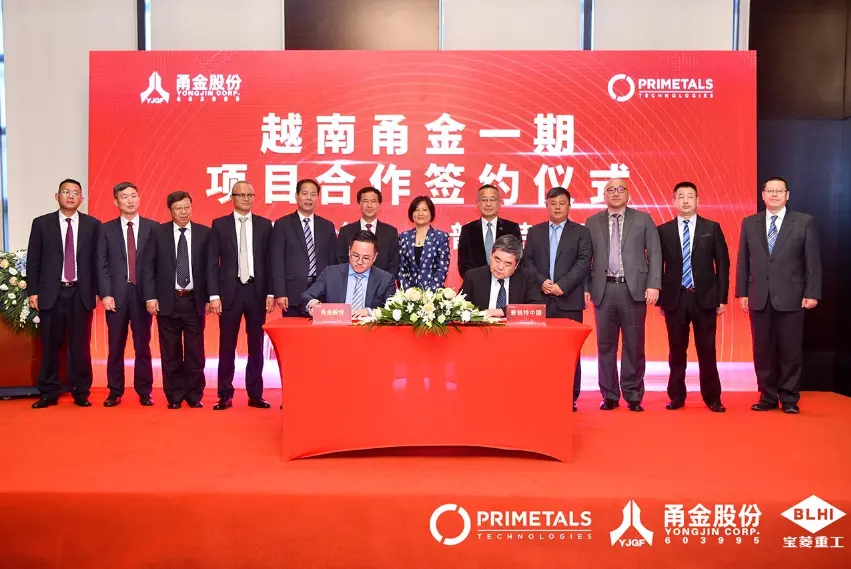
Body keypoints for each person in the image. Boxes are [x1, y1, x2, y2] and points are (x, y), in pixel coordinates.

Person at [736, 176, 822, 414]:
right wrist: (742, 292)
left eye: (779, 191)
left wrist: (812, 292)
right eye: (770, 191)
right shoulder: (750, 222)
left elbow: (813, 261)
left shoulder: (804, 222)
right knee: (762, 350)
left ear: (787, 195)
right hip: (759, 295)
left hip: (793, 296)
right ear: (763, 195)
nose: (774, 195)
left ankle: (790, 398)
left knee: (790, 351)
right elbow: (743, 260)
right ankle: (767, 396)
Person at [585, 178, 662, 412]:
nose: (615, 193)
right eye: (610, 190)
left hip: (633, 289)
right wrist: (586, 287)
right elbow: (585, 258)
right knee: (605, 345)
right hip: (604, 289)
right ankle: (609, 394)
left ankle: (633, 394)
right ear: (604, 195)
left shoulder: (643, 219)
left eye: (620, 189)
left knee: (634, 344)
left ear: (628, 194)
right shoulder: (592, 222)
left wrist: (654, 284)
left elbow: (655, 253)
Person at [27, 179, 101, 408]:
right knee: (50, 346)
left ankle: (81, 392)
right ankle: (49, 392)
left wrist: (98, 291)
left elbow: (97, 262)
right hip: (52, 293)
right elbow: (33, 260)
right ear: (56, 196)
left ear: (82, 199)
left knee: (81, 347)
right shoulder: (42, 224)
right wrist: (33, 291)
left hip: (80, 293)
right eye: (66, 192)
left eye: (75, 193)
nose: (70, 196)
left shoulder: (93, 225)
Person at [657, 182, 729, 413]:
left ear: (697, 200)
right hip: (675, 298)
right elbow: (657, 266)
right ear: (673, 201)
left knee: (707, 350)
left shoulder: (712, 228)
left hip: (705, 297)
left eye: (690, 196)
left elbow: (723, 264)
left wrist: (722, 298)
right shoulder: (663, 230)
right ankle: (676, 396)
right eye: (681, 196)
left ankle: (712, 397)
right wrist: (660, 298)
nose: (686, 201)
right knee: (676, 351)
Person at [523, 187, 592, 412]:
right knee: (540, 351)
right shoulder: (535, 232)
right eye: (553, 203)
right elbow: (527, 261)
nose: (557, 207)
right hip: (540, 300)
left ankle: (570, 396)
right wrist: (542, 281)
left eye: (562, 203)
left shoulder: (581, 232)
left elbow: (583, 262)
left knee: (570, 352)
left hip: (569, 299)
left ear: (569, 205)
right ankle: (542, 394)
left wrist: (563, 285)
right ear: (546, 205)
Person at [207, 181, 274, 411]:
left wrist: (271, 292)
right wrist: (213, 295)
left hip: (256, 291)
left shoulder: (265, 225)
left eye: (250, 195)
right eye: (241, 195)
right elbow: (211, 263)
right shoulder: (220, 225)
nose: (246, 199)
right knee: (227, 345)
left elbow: (270, 262)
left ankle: (255, 394)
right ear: (232, 197)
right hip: (229, 292)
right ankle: (225, 395)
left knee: (256, 345)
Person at [141, 191, 210, 409]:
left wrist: (212, 297)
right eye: (178, 208)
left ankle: (194, 395)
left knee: (195, 351)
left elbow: (210, 269)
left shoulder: (204, 233)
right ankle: (174, 395)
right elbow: (148, 267)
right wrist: (150, 297)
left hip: (194, 300)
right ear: (170, 210)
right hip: (167, 300)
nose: (183, 212)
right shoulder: (157, 233)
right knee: (170, 352)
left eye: (187, 207)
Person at [96, 182, 158, 407]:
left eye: (133, 196)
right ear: (116, 201)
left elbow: (158, 265)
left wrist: (153, 295)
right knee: (115, 347)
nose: (130, 200)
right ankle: (114, 391)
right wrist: (105, 294)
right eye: (124, 197)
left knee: (143, 346)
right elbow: (101, 263)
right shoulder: (105, 229)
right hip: (116, 296)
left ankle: (145, 391)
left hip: (143, 296)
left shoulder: (153, 227)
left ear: (139, 198)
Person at [271, 179, 337, 316]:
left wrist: (333, 291)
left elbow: (332, 262)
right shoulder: (283, 224)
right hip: (292, 293)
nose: (309, 198)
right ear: (296, 196)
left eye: (313, 194)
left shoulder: (327, 226)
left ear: (318, 197)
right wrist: (280, 292)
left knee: (320, 330)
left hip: (321, 291)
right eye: (305, 193)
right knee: (293, 329)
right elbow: (277, 261)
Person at [300, 230, 397, 316]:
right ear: (349, 251)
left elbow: (393, 310)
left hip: (369, 329)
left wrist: (370, 312)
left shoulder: (386, 280)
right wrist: (312, 303)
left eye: (366, 258)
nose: (359, 262)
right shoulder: (330, 273)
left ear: (375, 257)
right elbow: (306, 296)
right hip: (336, 328)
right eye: (355, 255)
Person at [460, 235, 542, 317]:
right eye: (497, 259)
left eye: (507, 263)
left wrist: (503, 312)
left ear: (516, 265)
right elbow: (459, 307)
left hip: (514, 325)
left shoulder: (527, 278)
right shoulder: (473, 277)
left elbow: (536, 308)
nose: (500, 267)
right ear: (490, 255)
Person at [456, 184, 522, 279]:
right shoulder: (468, 230)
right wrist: (477, 282)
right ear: (477, 203)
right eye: (484, 200)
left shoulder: (512, 228)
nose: (488, 204)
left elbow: (518, 259)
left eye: (492, 199)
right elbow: (463, 264)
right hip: (477, 284)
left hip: (506, 283)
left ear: (499, 203)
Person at [335, 187, 399, 276]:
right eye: (365, 201)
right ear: (359, 204)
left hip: (382, 282)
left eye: (373, 201)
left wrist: (384, 282)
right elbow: (340, 260)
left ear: (379, 205)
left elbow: (394, 263)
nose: (369, 205)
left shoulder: (390, 232)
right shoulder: (345, 231)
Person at [397, 196, 450, 290]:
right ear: (411, 213)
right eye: (416, 210)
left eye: (424, 210)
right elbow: (400, 268)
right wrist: (408, 292)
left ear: (431, 213)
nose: (420, 213)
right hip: (408, 294)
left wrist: (429, 293)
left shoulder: (440, 237)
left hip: (433, 294)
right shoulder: (403, 237)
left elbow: (442, 269)